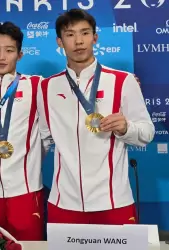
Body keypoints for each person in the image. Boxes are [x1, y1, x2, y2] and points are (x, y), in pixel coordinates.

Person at [37, 9, 155, 224]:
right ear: (60, 41)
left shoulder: (122, 81)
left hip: (113, 200)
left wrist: (126, 128)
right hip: (64, 201)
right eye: (70, 35)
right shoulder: (47, 87)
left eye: (84, 33)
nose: (79, 41)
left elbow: (147, 133)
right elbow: (43, 139)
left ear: (95, 37)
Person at [0, 22, 48, 241]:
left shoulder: (36, 85)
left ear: (20, 55)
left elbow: (67, 105)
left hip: (26, 192)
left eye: (9, 50)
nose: (1, 56)